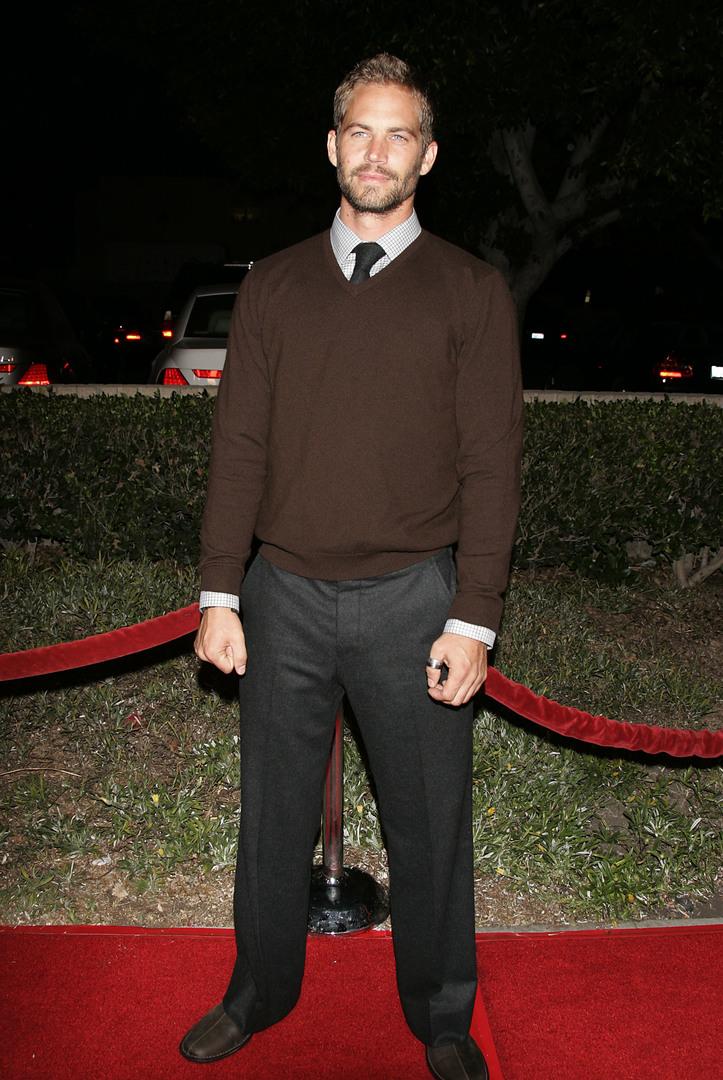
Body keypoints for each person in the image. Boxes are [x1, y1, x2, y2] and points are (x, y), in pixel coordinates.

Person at [180, 52, 522, 1080]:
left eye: (398, 134)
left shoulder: (471, 290)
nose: (377, 152)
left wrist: (474, 616)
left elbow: (492, 465)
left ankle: (443, 1016)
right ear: (333, 146)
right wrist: (220, 590)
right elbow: (240, 446)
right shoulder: (275, 284)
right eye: (360, 132)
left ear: (428, 155)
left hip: (415, 598)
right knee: (271, 816)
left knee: (430, 824)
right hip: (280, 595)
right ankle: (256, 992)